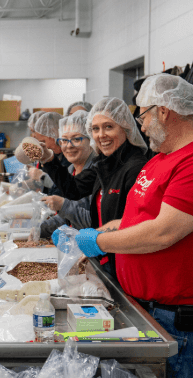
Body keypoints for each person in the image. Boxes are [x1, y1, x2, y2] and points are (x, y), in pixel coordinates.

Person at [72, 74, 193, 378]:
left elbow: (164, 231)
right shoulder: (160, 159)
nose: (142, 124)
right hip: (145, 306)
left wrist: (99, 244)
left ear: (164, 111)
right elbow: (138, 217)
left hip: (178, 318)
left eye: (143, 116)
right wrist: (107, 229)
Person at [41, 97, 150, 276]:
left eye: (109, 127)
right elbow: (73, 190)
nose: (101, 135)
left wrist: (94, 239)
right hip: (106, 258)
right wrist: (48, 159)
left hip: (127, 264)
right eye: (95, 129)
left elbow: (135, 224)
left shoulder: (135, 167)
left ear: (125, 127)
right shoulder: (104, 164)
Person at [40, 112, 94, 237]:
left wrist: (63, 205)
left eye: (76, 139)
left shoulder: (96, 173)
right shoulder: (70, 170)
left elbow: (94, 221)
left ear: (91, 140)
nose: (69, 146)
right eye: (64, 140)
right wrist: (38, 229)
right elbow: (66, 219)